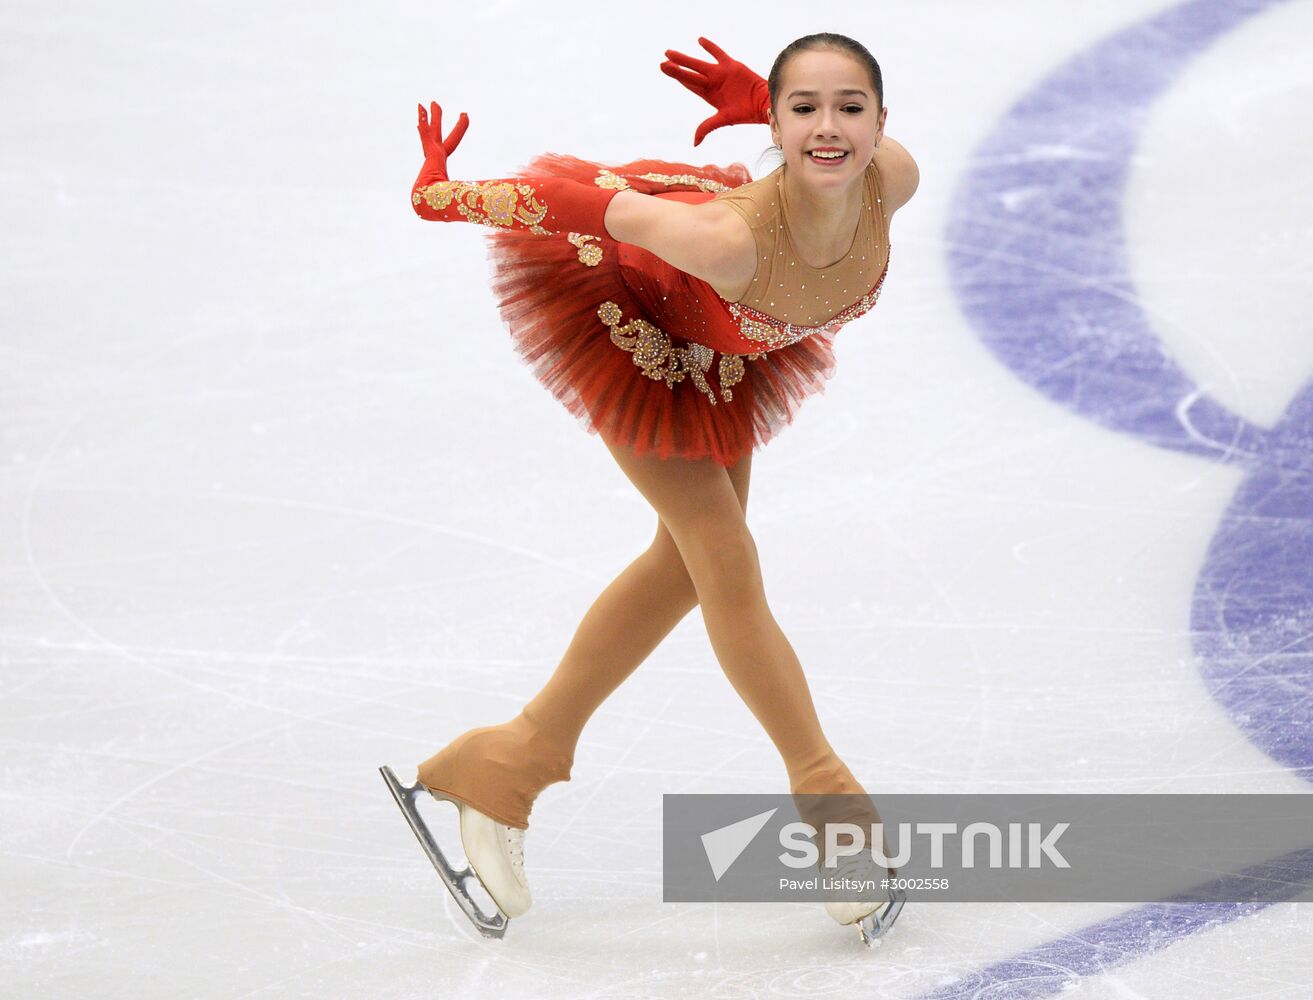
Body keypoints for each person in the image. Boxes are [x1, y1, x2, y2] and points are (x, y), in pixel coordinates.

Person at [379, 32, 920, 945]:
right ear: (778, 127)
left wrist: (771, 100)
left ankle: (509, 760)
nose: (830, 129)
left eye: (848, 108)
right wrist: (444, 196)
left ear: (880, 121)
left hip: (719, 338)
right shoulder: (716, 233)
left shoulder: (893, 178)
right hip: (632, 313)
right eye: (801, 109)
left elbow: (831, 144)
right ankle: (829, 800)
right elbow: (572, 202)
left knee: (685, 566)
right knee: (722, 558)